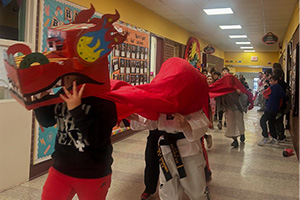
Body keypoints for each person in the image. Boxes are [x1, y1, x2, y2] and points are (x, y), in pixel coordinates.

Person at [34, 75, 117, 200]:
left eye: (68, 76)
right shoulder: (64, 93)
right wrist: (38, 100)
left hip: (93, 173)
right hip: (61, 168)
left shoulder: (103, 100)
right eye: (64, 77)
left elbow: (98, 140)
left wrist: (77, 110)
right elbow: (47, 121)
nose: (64, 80)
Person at [129, 110, 210, 200]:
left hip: (189, 150)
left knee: (196, 191)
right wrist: (137, 118)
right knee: (168, 192)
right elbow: (154, 122)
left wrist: (187, 125)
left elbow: (204, 122)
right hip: (166, 149)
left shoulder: (190, 98)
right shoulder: (160, 99)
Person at [258, 75, 285, 146]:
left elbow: (264, 93)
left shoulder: (272, 87)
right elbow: (282, 96)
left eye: (271, 81)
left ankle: (265, 137)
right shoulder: (280, 88)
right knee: (271, 123)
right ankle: (274, 138)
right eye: (270, 81)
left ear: (276, 81)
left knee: (262, 121)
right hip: (276, 108)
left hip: (270, 107)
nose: (270, 82)